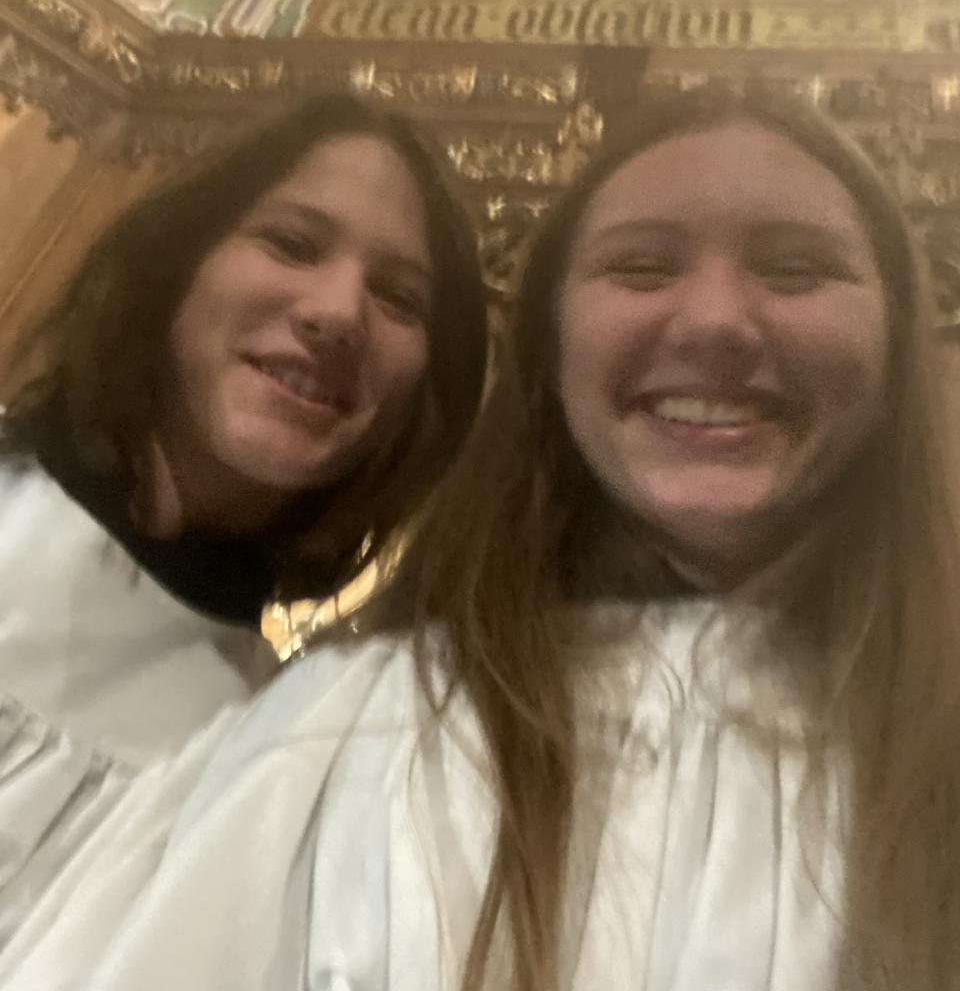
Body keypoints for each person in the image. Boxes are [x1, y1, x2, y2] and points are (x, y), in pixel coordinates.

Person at [3, 85, 959, 991]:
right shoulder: (341, 732)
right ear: (546, 359)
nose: (717, 320)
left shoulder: (276, 695)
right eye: (640, 266)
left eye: (796, 269)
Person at [0, 93, 487, 951]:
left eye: (399, 296)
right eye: (292, 243)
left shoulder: (279, 757)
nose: (338, 313)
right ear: (181, 259)